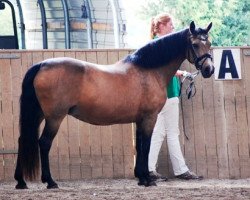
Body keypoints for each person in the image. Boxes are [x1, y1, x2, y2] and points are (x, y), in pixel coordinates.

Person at [148, 13, 203, 181]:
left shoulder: (157, 44)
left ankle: (150, 169)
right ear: (162, 26)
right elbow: (161, 67)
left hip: (167, 93)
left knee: (160, 133)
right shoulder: (160, 45)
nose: (173, 27)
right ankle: (179, 170)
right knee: (170, 133)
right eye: (170, 24)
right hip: (165, 93)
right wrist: (182, 72)